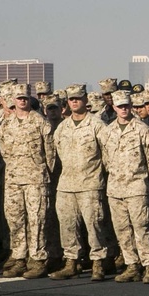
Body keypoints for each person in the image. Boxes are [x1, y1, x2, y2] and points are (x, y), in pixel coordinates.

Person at [98, 90, 149, 284]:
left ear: (131, 106)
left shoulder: (142, 130)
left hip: (136, 187)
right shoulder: (107, 132)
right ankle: (132, 264)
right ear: (114, 107)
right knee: (122, 229)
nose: (124, 109)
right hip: (115, 188)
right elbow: (106, 160)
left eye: (126, 105)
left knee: (142, 227)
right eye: (120, 106)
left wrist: (142, 181)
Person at [51, 84, 110, 281]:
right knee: (67, 225)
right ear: (67, 102)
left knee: (94, 224)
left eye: (78, 98)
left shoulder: (97, 124)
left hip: (90, 183)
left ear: (86, 100)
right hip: (66, 184)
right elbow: (57, 154)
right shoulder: (62, 127)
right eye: (71, 99)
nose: (75, 101)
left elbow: (107, 155)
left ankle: (98, 262)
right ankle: (71, 262)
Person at [0, 83, 56, 279]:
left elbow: (50, 155)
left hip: (36, 179)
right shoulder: (7, 124)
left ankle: (38, 259)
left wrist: (42, 173)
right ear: (12, 100)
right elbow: (4, 151)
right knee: (15, 220)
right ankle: (19, 257)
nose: (22, 100)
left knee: (37, 220)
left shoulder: (40, 122)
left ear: (29, 99)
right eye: (18, 97)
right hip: (14, 179)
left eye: (25, 97)